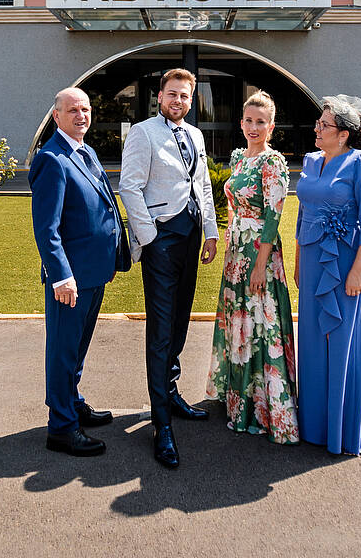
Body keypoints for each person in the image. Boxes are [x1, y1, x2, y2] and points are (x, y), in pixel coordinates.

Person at [118, 68, 219, 469]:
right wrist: (150, 236)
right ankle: (161, 425)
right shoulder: (143, 133)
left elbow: (204, 186)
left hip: (191, 236)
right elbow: (130, 186)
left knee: (179, 322)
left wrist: (210, 232)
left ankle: (172, 393)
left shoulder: (194, 135)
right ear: (159, 96)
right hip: (161, 241)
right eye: (172, 94)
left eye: (185, 96)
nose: (179, 101)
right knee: (160, 332)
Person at [28, 87, 123, 457]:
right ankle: (62, 427)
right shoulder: (52, 159)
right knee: (63, 351)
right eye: (72, 110)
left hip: (94, 272)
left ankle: (72, 401)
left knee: (78, 350)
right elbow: (46, 229)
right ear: (57, 117)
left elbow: (103, 206)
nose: (81, 115)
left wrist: (113, 256)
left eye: (85, 108)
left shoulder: (86, 150)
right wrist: (61, 276)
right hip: (70, 280)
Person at [205, 91, 300, 444]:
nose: (254, 127)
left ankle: (261, 406)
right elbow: (233, 204)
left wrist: (260, 265)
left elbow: (274, 218)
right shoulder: (239, 159)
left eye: (261, 122)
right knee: (239, 321)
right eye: (249, 120)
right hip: (236, 253)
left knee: (260, 323)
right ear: (241, 123)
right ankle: (237, 397)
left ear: (271, 126)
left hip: (260, 253)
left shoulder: (272, 163)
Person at [294, 94, 361, 456]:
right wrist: (299, 261)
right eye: (318, 123)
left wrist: (358, 270)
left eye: (323, 124)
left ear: (343, 134)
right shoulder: (311, 161)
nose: (316, 128)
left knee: (342, 344)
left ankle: (343, 431)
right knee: (312, 343)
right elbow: (302, 215)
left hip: (345, 265)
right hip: (312, 263)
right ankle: (313, 427)